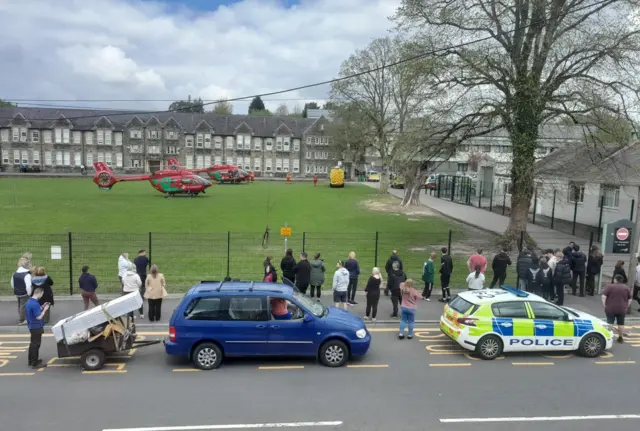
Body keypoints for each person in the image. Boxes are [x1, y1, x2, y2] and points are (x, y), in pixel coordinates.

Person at [602, 274, 632, 343]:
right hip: (622, 308)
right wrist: (626, 306)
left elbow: (604, 297)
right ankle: (620, 337)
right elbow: (630, 298)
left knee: (610, 323)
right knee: (621, 324)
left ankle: (609, 337)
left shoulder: (609, 286)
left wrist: (604, 306)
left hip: (610, 308)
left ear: (615, 279)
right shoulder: (626, 288)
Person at [26, 287, 49, 369]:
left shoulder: (30, 301)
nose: (42, 296)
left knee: (32, 344)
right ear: (39, 293)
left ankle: (31, 360)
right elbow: (39, 317)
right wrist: (45, 310)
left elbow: (36, 311)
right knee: (36, 345)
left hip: (32, 326)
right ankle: (35, 363)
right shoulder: (34, 304)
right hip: (36, 326)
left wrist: (42, 306)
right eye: (42, 294)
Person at [12, 256, 33, 325]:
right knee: (23, 306)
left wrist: (16, 290)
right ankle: (22, 320)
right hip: (24, 293)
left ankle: (22, 317)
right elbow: (28, 286)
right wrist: (29, 293)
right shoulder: (27, 275)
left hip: (17, 292)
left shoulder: (14, 273)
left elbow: (12, 284)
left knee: (20, 305)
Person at [134, 249, 150, 317]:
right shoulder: (146, 259)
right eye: (144, 252)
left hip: (138, 274)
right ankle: (143, 296)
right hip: (143, 274)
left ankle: (138, 295)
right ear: (142, 253)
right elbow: (147, 264)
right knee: (143, 286)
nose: (145, 253)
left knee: (138, 286)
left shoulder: (135, 259)